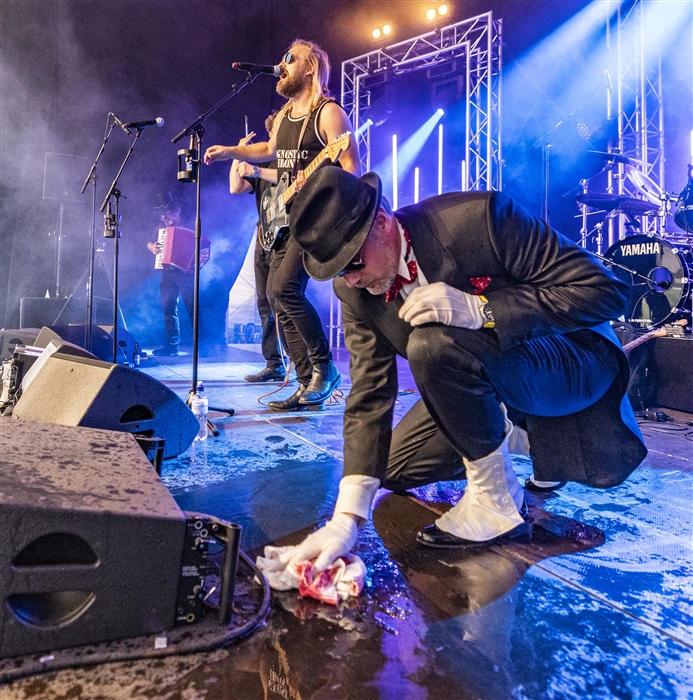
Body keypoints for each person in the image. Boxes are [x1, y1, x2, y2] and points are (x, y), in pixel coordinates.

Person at [272, 166, 647, 572]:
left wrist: (483, 310)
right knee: (393, 470)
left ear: (381, 222)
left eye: (354, 262)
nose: (353, 279)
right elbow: (369, 393)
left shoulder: (480, 218)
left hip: (572, 357)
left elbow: (608, 292)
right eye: (338, 271)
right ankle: (520, 432)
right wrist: (346, 519)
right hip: (484, 370)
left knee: (431, 344)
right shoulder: (355, 289)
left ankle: (496, 502)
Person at [204, 39, 361, 410]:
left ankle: (326, 368)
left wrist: (334, 212)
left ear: (310, 68)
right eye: (282, 57)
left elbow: (353, 168)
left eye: (290, 58)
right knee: (277, 296)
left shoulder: (328, 113)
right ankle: (308, 382)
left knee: (284, 289)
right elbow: (269, 151)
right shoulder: (289, 113)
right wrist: (230, 151)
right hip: (284, 223)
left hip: (313, 220)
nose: (281, 63)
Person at [229, 113, 287, 383]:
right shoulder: (262, 161)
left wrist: (254, 168)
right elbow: (234, 187)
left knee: (282, 298)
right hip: (264, 236)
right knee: (264, 302)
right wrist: (238, 155)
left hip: (287, 237)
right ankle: (274, 363)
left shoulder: (289, 161)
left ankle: (300, 360)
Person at [147, 192, 194, 356]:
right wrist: (152, 247)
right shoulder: (161, 229)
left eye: (165, 213)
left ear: (176, 211)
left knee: (193, 309)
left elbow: (203, 243)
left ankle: (201, 346)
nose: (162, 217)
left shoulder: (191, 225)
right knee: (168, 309)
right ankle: (172, 346)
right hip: (167, 273)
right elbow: (150, 242)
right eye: (160, 214)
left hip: (187, 273)